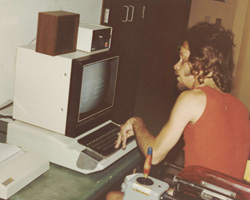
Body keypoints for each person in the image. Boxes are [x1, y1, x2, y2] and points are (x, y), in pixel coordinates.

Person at [106, 22, 250, 200]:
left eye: (183, 58)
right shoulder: (241, 109)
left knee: (114, 196)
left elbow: (155, 154)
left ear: (202, 62)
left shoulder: (193, 98)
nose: (176, 66)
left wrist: (137, 123)